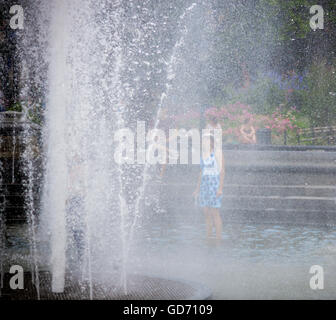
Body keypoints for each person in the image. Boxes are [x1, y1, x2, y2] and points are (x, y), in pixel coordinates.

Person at [193, 135, 225, 241]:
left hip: (214, 184)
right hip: (204, 185)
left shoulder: (217, 153)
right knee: (206, 212)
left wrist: (220, 188)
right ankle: (209, 237)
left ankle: (218, 239)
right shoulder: (203, 155)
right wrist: (197, 189)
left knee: (214, 212)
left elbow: (222, 171)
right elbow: (201, 172)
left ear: (211, 142)